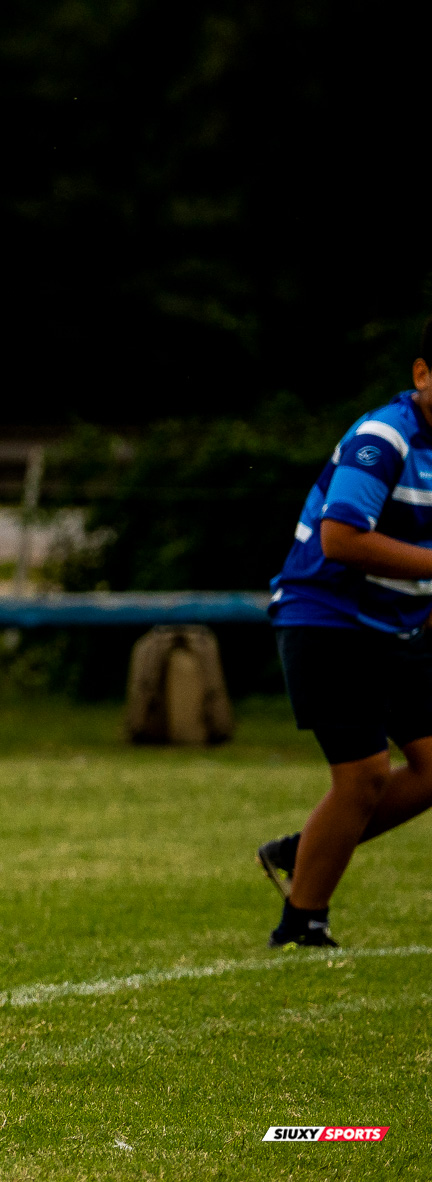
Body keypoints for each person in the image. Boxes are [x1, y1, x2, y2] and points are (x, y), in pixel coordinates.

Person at [258, 318, 432, 949]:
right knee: (362, 777)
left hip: (393, 626)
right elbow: (341, 538)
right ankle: (302, 923)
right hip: (327, 618)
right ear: (421, 374)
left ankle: (304, 852)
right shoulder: (383, 437)